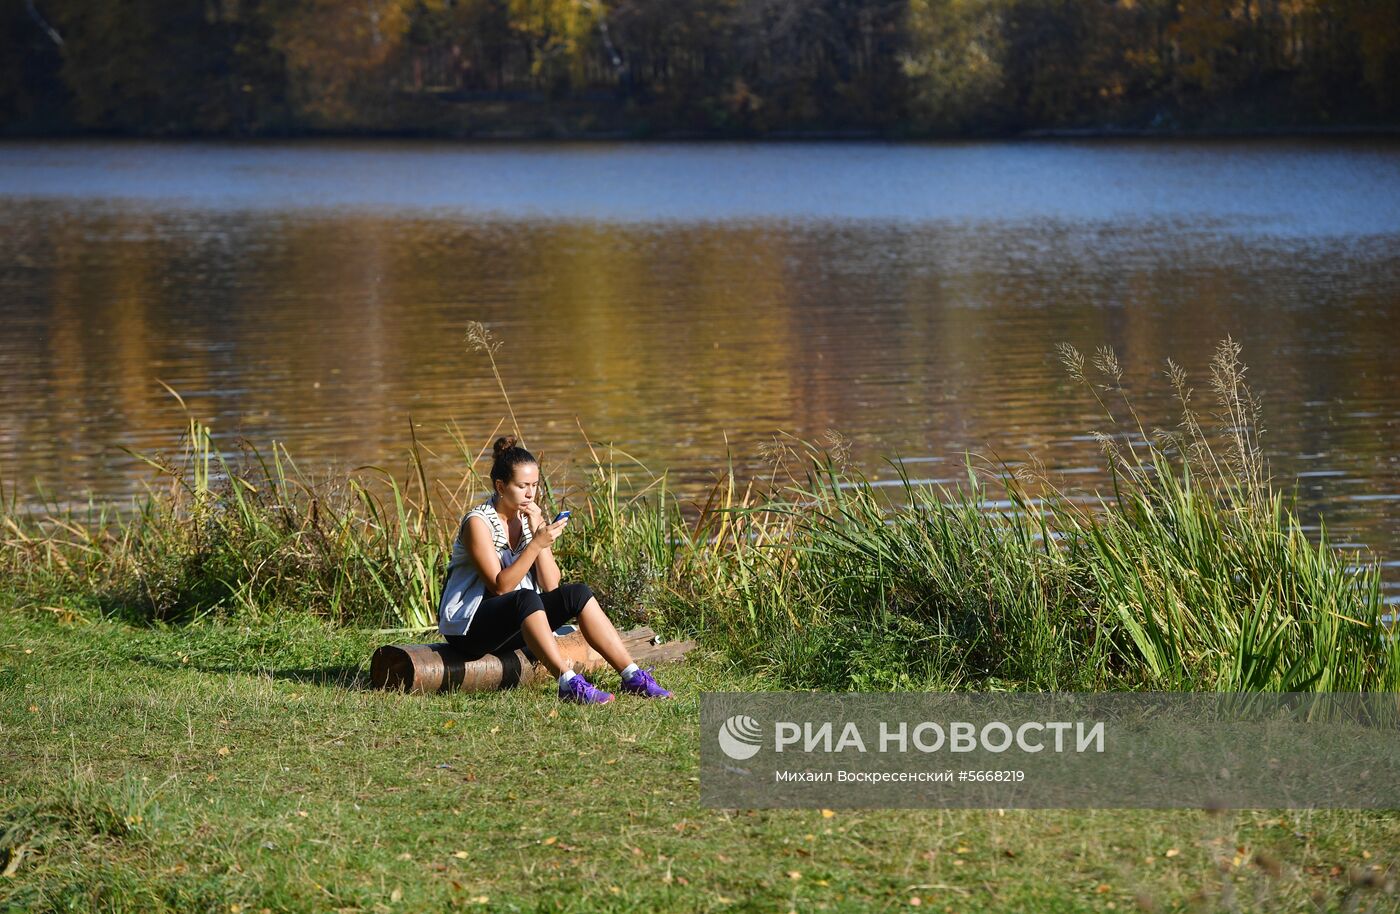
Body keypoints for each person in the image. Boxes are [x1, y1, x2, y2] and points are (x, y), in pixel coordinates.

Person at [437, 435, 673, 704]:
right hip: (470, 629)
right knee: (525, 598)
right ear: (501, 486)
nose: (530, 493)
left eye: (535, 485)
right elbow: (500, 586)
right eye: (522, 486)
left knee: (578, 593)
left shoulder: (526, 518)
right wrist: (536, 545)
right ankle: (568, 683)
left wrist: (539, 532)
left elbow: (551, 585)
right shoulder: (478, 523)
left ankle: (633, 676)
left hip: (514, 623)